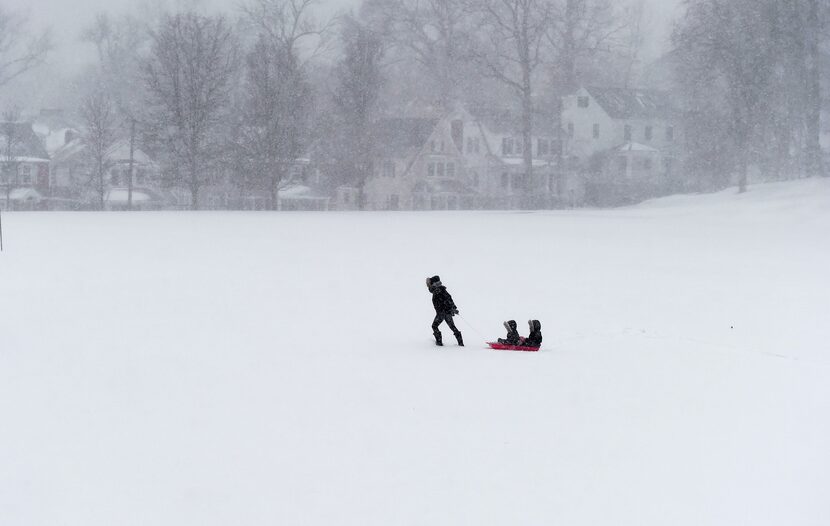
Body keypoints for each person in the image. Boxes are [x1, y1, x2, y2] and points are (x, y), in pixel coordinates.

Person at [426, 275, 463, 346]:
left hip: (442, 313)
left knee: (434, 326)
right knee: (452, 327)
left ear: (434, 284)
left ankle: (439, 343)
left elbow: (448, 299)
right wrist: (453, 308)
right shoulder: (440, 290)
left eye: (430, 284)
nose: (429, 286)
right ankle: (460, 343)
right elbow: (449, 298)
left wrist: (453, 308)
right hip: (446, 312)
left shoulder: (438, 290)